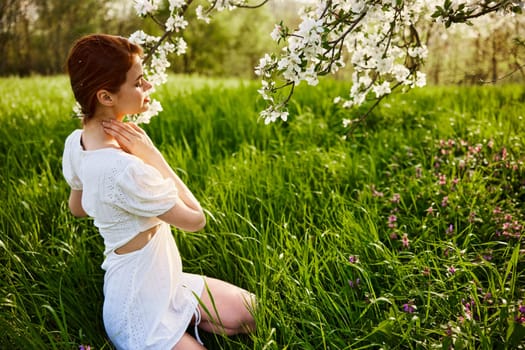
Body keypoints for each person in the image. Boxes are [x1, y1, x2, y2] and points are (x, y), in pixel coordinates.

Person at [62, 34, 255, 350]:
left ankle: (194, 322)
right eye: (138, 82)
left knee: (253, 310)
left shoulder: (76, 142)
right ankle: (184, 332)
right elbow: (196, 220)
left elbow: (78, 207)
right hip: (137, 313)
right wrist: (153, 156)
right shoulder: (126, 169)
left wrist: (112, 207)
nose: (148, 86)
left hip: (166, 283)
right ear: (106, 97)